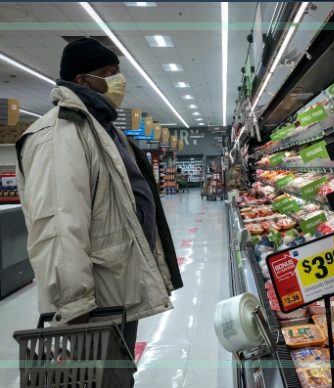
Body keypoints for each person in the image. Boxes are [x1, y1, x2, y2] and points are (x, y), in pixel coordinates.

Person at [16, 37, 183, 387]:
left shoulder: (101, 128)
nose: (119, 82)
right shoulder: (59, 133)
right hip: (92, 297)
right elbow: (58, 225)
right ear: (83, 80)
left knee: (117, 376)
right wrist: (75, 305)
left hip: (117, 283)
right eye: (110, 73)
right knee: (96, 378)